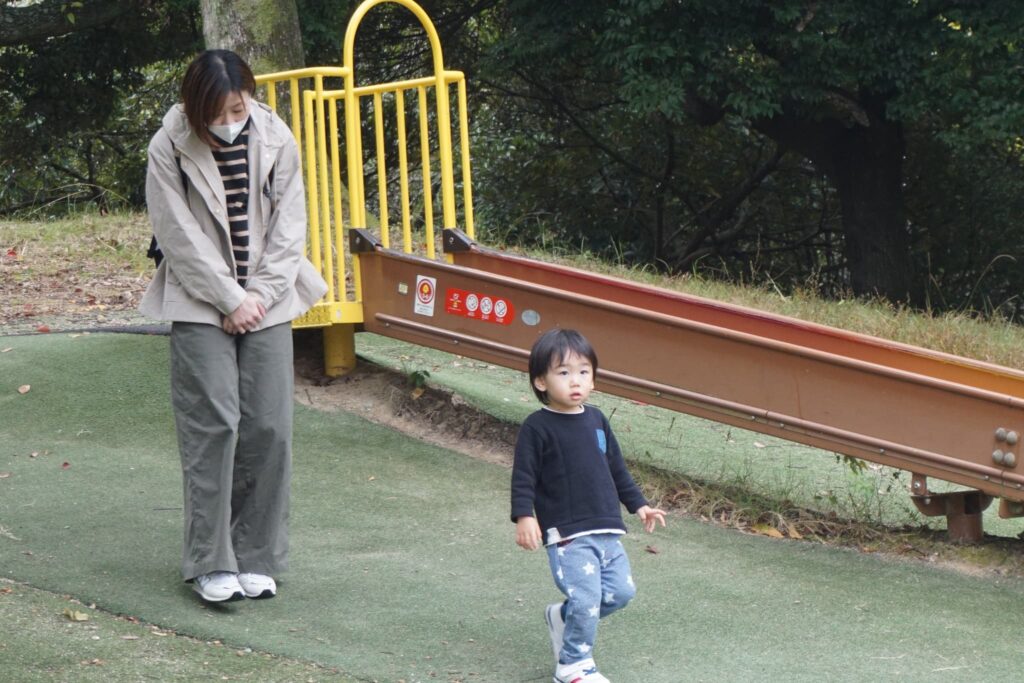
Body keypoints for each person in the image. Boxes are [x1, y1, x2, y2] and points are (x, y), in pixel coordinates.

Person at [140, 49, 327, 603]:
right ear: (193, 106)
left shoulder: (277, 137)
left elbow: (291, 227)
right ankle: (210, 560)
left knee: (270, 426)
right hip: (199, 299)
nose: (227, 122)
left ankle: (257, 556)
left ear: (250, 98)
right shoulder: (167, 144)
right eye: (215, 113)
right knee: (213, 425)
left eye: (237, 109)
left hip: (269, 297)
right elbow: (175, 233)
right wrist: (228, 296)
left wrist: (257, 297)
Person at [511, 328, 667, 682]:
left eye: (583, 371)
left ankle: (562, 618)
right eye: (563, 372)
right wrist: (524, 516)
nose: (575, 380)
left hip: (607, 529)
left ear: (593, 378)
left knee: (620, 593)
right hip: (568, 535)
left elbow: (616, 468)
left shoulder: (596, 419)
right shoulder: (537, 427)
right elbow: (523, 477)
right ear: (541, 381)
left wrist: (639, 505)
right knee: (586, 598)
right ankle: (573, 665)